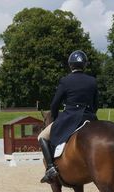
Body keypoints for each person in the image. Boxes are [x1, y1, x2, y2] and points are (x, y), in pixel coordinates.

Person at [38, 50, 99, 183]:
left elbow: (54, 104)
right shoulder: (92, 81)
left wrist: (54, 118)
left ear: (70, 65)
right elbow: (96, 105)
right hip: (90, 117)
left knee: (41, 137)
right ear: (85, 65)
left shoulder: (65, 81)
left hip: (70, 117)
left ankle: (50, 168)